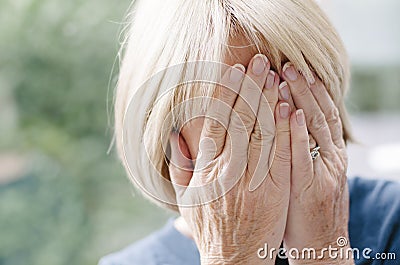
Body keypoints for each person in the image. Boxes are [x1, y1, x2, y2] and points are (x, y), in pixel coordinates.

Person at [100, 0, 400, 264]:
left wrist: (324, 254)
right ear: (177, 150)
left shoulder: (392, 223)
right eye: (240, 119)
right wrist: (232, 258)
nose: (273, 140)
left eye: (290, 105)